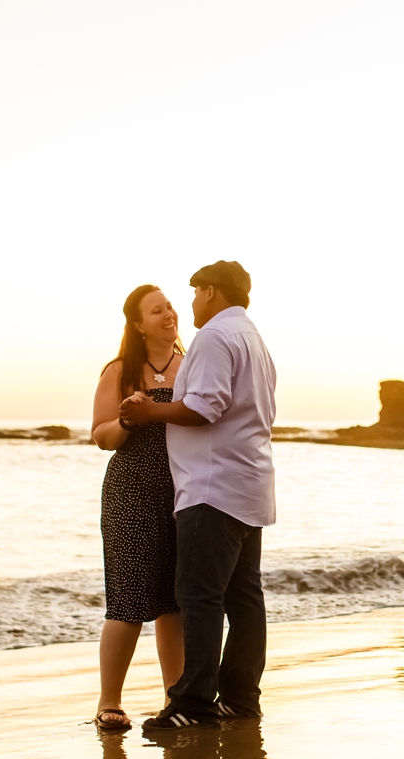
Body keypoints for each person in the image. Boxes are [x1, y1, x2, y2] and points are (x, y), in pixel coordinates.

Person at [119, 260, 276, 730]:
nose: (189, 305)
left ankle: (193, 703)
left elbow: (205, 409)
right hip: (250, 483)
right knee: (244, 597)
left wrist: (150, 411)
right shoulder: (254, 339)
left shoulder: (212, 338)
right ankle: (241, 698)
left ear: (210, 292)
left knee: (198, 595)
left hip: (212, 486)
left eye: (192, 294)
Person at [90, 284, 187, 731]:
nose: (168, 314)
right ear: (137, 323)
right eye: (156, 310)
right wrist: (127, 418)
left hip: (184, 493)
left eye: (168, 306)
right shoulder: (119, 370)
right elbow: (102, 437)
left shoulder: (190, 367)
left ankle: (176, 700)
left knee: (174, 603)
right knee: (127, 601)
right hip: (130, 493)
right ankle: (109, 703)